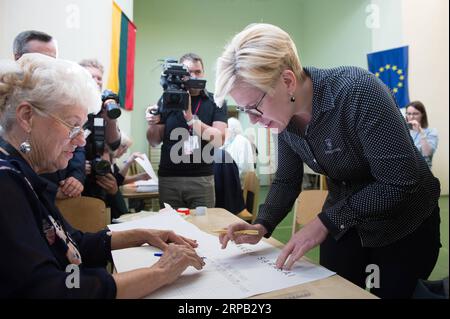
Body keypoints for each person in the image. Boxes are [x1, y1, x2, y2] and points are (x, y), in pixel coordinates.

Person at [213, 23, 441, 299]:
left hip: (402, 224)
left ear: (287, 82)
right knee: (333, 291)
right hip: (345, 224)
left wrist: (324, 222)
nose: (253, 119)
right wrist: (262, 224)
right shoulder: (283, 117)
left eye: (254, 107)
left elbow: (399, 182)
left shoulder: (357, 91)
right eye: (244, 110)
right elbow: (286, 180)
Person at [0, 53, 204, 298]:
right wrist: (161, 271)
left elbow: (71, 242)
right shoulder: (6, 182)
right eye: (72, 125)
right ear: (26, 117)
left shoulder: (24, 176)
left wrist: (142, 235)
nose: (79, 140)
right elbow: (52, 290)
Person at [146, 53, 227, 209]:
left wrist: (190, 118)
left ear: (203, 73)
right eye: (189, 72)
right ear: (180, 74)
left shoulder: (216, 101)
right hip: (169, 177)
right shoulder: (167, 99)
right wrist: (152, 122)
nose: (194, 76)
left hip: (201, 178)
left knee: (203, 228)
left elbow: (219, 139)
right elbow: (154, 141)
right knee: (170, 229)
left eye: (198, 72)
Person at [13, 30, 85, 200]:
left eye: (53, 62)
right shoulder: (8, 99)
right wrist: (50, 190)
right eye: (41, 60)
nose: (49, 68)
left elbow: (76, 140)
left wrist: (76, 177)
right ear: (18, 58)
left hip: (60, 185)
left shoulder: (61, 96)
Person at [405, 101, 438, 169]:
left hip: (423, 171)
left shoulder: (431, 132)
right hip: (406, 170)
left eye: (415, 114)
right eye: (409, 114)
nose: (411, 117)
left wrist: (421, 132)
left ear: (422, 114)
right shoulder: (404, 131)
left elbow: (427, 154)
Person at [222, 117, 255, 184]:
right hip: (231, 184)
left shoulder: (242, 141)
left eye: (227, 128)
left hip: (240, 185)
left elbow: (244, 168)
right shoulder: (228, 142)